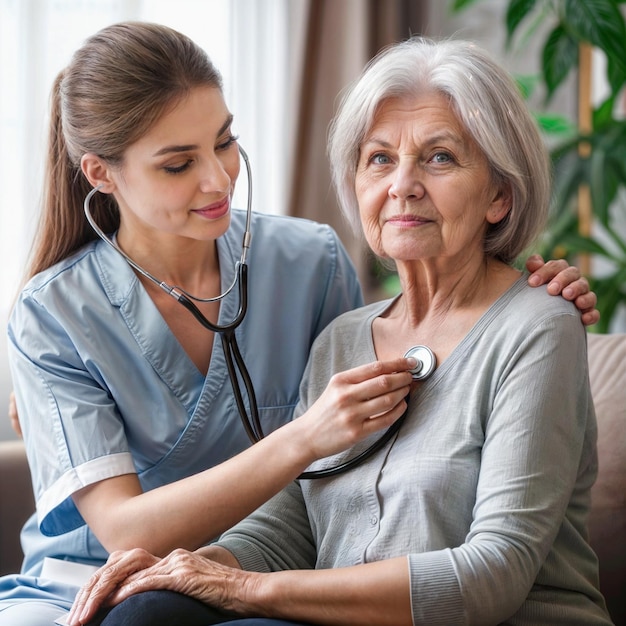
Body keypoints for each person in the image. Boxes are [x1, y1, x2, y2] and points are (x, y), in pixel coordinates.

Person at [0, 22, 598, 626]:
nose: (218, 179)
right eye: (379, 159)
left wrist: (235, 585)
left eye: (225, 142)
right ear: (101, 175)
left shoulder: (312, 267)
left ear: (500, 194)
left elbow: (486, 566)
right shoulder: (344, 338)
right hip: (95, 574)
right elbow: (309, 503)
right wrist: (194, 571)